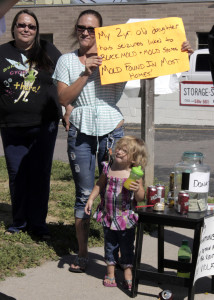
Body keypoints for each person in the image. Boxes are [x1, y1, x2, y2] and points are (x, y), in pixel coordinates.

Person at [53, 9, 193, 272]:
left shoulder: (118, 54)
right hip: (81, 132)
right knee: (84, 193)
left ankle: (118, 255)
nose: (85, 32)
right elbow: (63, 99)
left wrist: (179, 52)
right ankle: (83, 254)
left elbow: (152, 66)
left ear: (100, 32)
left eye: (92, 29)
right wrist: (85, 72)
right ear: (75, 29)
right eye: (81, 27)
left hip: (112, 132)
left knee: (119, 192)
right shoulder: (66, 61)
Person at [0, 9, 62, 239]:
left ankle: (38, 224)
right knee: (17, 173)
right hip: (11, 125)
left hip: (44, 124)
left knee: (40, 173)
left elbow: (69, 72)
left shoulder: (47, 49)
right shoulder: (2, 52)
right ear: (14, 27)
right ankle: (19, 222)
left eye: (31, 26)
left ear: (36, 30)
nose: (26, 29)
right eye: (22, 25)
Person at [85, 136, 147, 289]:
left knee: (126, 247)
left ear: (133, 158)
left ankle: (128, 273)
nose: (118, 151)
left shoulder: (134, 174)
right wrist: (91, 199)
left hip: (125, 218)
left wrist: (137, 189)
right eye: (118, 148)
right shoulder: (108, 168)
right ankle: (110, 273)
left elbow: (140, 198)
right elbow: (99, 185)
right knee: (110, 246)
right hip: (108, 216)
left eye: (124, 151)